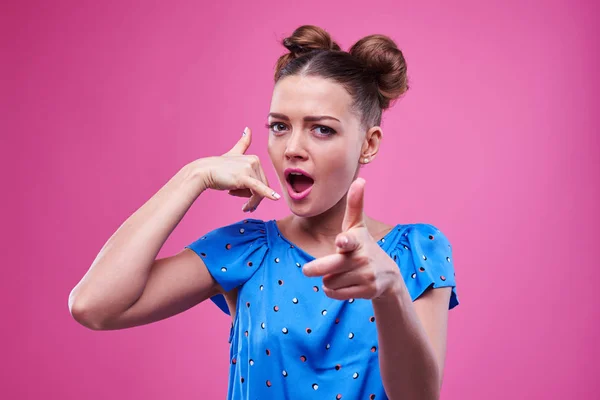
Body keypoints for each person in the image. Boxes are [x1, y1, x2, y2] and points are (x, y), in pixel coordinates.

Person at [69, 25, 459, 400]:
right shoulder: (247, 249)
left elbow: (419, 395)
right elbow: (94, 306)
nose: (293, 147)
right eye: (279, 126)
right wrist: (194, 175)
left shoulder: (414, 251)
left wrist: (389, 287)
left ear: (369, 144)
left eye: (321, 129)